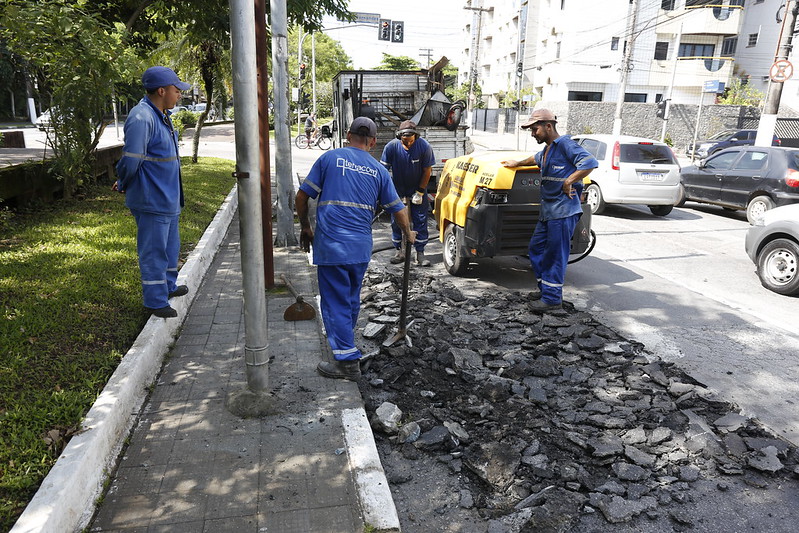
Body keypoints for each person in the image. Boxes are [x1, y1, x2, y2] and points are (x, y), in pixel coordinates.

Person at [296, 117, 415, 381]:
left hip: (332, 246)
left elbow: (302, 196)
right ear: (372, 142)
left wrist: (306, 227)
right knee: (349, 299)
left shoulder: (330, 158)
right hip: (360, 249)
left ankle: (347, 362)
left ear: (348, 135)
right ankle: (345, 344)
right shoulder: (379, 170)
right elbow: (398, 208)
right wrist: (408, 233)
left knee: (335, 302)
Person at [501, 109, 598, 312]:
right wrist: (516, 163)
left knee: (555, 255)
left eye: (535, 129)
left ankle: (553, 300)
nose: (533, 133)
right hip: (549, 212)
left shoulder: (564, 144)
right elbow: (534, 159)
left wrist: (569, 181)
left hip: (563, 213)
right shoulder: (547, 150)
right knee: (535, 249)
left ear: (548, 126)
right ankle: (546, 289)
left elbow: (589, 162)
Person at [114, 66, 191, 318]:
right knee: (154, 252)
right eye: (175, 89)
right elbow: (132, 159)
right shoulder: (141, 117)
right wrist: (123, 181)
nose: (179, 94)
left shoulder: (161, 114)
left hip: (168, 198)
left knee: (170, 248)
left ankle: (168, 286)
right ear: (161, 90)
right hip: (152, 199)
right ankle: (155, 301)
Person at [381, 120, 436, 267]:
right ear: (400, 137)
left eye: (411, 141)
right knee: (397, 220)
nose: (408, 144)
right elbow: (383, 171)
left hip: (417, 187)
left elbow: (427, 171)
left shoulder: (424, 147)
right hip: (398, 187)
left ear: (416, 137)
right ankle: (400, 251)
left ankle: (420, 254)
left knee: (420, 219)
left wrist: (419, 192)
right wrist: (386, 191)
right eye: (405, 141)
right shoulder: (391, 147)